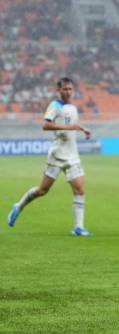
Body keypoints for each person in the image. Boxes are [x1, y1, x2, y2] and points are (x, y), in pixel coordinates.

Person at [7, 77, 93, 236]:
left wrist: (82, 128)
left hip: (72, 155)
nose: (68, 92)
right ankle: (18, 206)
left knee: (80, 190)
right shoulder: (55, 105)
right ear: (59, 90)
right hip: (58, 155)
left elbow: (71, 125)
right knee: (42, 190)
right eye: (65, 89)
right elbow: (46, 125)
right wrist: (68, 127)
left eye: (70, 89)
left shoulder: (72, 107)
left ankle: (78, 227)